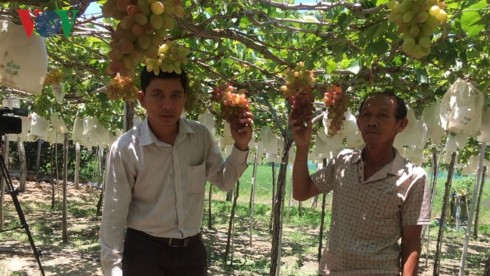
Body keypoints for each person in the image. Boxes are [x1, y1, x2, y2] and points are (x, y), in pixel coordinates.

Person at [99, 68, 253, 276]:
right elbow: (113, 214)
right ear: (142, 99)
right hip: (145, 253)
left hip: (191, 254)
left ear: (185, 98)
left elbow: (223, 181)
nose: (168, 105)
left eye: (176, 95)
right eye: (158, 95)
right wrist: (113, 269)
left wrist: (241, 146)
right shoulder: (126, 148)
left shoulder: (200, 137)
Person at [290, 91, 431, 275]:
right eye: (366, 114)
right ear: (358, 121)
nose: (372, 121)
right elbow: (301, 192)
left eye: (382, 115)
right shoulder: (344, 162)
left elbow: (411, 243)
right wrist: (302, 147)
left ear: (401, 124)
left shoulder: (413, 177)